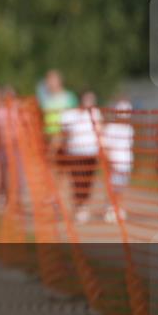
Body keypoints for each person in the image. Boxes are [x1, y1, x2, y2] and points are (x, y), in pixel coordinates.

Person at [57, 91, 102, 223]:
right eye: (87, 99)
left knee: (88, 181)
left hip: (91, 153)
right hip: (74, 153)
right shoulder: (71, 114)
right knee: (77, 180)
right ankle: (78, 206)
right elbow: (63, 133)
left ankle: (83, 205)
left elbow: (100, 131)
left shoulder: (96, 114)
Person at [102, 99, 134, 223]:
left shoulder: (129, 128)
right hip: (114, 163)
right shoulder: (111, 127)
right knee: (113, 188)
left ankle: (118, 207)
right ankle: (110, 208)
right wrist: (109, 161)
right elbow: (105, 146)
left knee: (121, 188)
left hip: (125, 164)